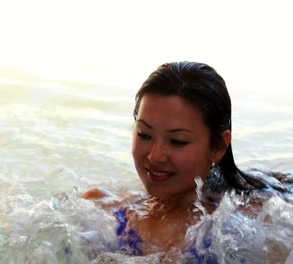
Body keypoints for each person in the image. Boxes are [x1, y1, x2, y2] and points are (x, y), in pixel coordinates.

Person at [82, 61, 292, 262]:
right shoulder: (102, 211)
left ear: (218, 146)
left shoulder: (255, 225)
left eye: (177, 141)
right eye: (145, 134)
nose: (156, 156)